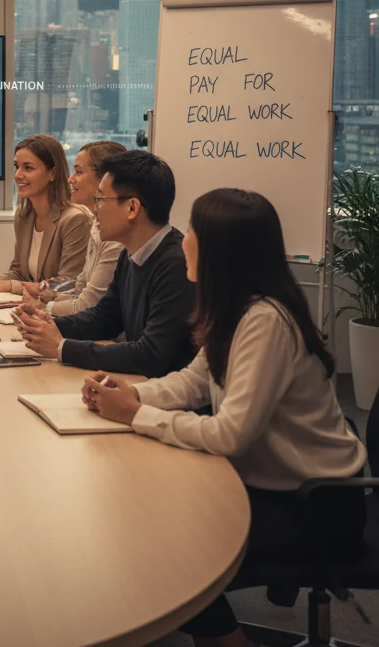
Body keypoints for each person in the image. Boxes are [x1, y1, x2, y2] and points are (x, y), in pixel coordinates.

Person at [83, 188, 367, 647]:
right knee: (148, 518)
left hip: (316, 505)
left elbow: (230, 434)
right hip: (276, 483)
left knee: (168, 546)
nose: (184, 241)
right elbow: (193, 382)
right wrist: (131, 394)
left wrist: (136, 416)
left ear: (221, 250)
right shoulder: (234, 309)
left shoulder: (265, 320)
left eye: (193, 231)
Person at [13, 150, 195, 377]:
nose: (94, 208)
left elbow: (151, 355)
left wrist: (62, 348)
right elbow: (105, 317)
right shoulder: (130, 253)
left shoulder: (176, 265)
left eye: (100, 199)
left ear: (132, 208)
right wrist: (48, 324)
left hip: (164, 390)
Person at [0, 135, 91, 295]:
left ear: (53, 173)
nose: (17, 174)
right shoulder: (24, 216)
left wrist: (9, 286)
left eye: (28, 168)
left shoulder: (76, 219)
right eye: (17, 166)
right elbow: (19, 272)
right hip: (30, 305)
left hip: (59, 308)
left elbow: (68, 284)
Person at [20, 140, 126, 316]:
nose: (70, 179)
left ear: (105, 179)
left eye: (78, 171)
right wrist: (49, 297)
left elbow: (89, 304)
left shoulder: (115, 237)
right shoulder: (96, 227)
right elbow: (80, 289)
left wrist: (42, 308)